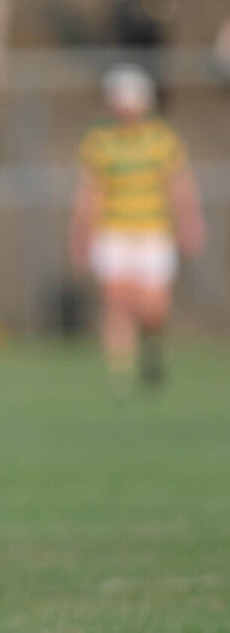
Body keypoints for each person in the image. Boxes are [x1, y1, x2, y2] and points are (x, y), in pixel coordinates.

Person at [69, 63, 204, 391]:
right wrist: (80, 236)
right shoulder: (100, 141)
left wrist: (190, 223)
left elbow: (180, 187)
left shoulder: (161, 139)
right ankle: (121, 376)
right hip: (113, 231)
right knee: (116, 301)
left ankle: (152, 346)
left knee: (153, 309)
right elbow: (89, 193)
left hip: (153, 231)